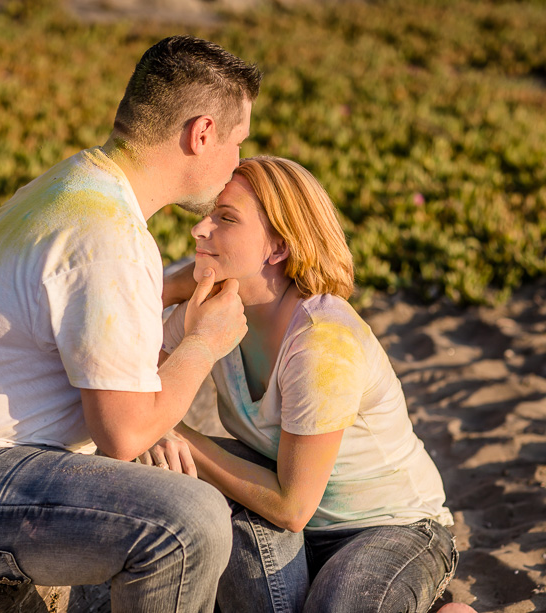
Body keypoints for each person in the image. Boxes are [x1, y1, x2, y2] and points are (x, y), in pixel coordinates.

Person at [0, 36, 261, 612]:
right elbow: (123, 436)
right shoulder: (109, 238)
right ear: (202, 134)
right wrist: (205, 342)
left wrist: (171, 290)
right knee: (189, 522)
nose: (236, 163)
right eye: (237, 141)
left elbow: (90, 319)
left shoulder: (80, 186)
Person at [152, 156, 468, 613]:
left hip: (387, 528)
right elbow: (134, 378)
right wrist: (174, 287)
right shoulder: (215, 305)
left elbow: (292, 505)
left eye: (225, 218)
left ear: (277, 248)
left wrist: (174, 433)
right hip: (292, 530)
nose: (200, 229)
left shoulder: (323, 342)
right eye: (208, 214)